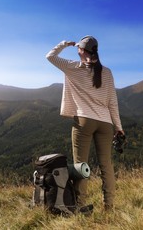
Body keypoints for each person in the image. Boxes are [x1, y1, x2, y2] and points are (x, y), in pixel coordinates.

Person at [46, 36, 124, 211]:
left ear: (81, 50)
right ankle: (109, 207)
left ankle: (80, 206)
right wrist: (119, 127)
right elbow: (113, 102)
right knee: (106, 166)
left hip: (84, 121)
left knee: (81, 165)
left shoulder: (73, 67)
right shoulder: (107, 72)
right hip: (105, 123)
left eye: (78, 48)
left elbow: (50, 56)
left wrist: (64, 44)